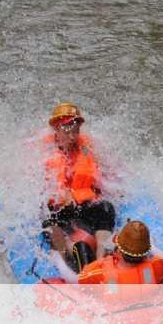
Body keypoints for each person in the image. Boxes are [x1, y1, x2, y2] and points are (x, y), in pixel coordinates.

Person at [42, 102, 116, 268]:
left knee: (105, 208)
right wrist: (60, 195)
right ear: (56, 129)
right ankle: (70, 258)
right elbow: (37, 186)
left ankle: (101, 260)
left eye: (76, 131)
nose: (73, 136)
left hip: (82, 203)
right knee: (51, 223)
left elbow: (107, 172)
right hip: (58, 208)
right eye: (67, 131)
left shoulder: (87, 147)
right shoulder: (43, 152)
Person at [78, 220, 163, 285]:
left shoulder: (100, 272)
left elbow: (77, 280)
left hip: (109, 296)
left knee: (80, 247)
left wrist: (62, 264)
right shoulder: (157, 266)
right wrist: (153, 247)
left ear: (118, 249)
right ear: (147, 251)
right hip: (140, 304)